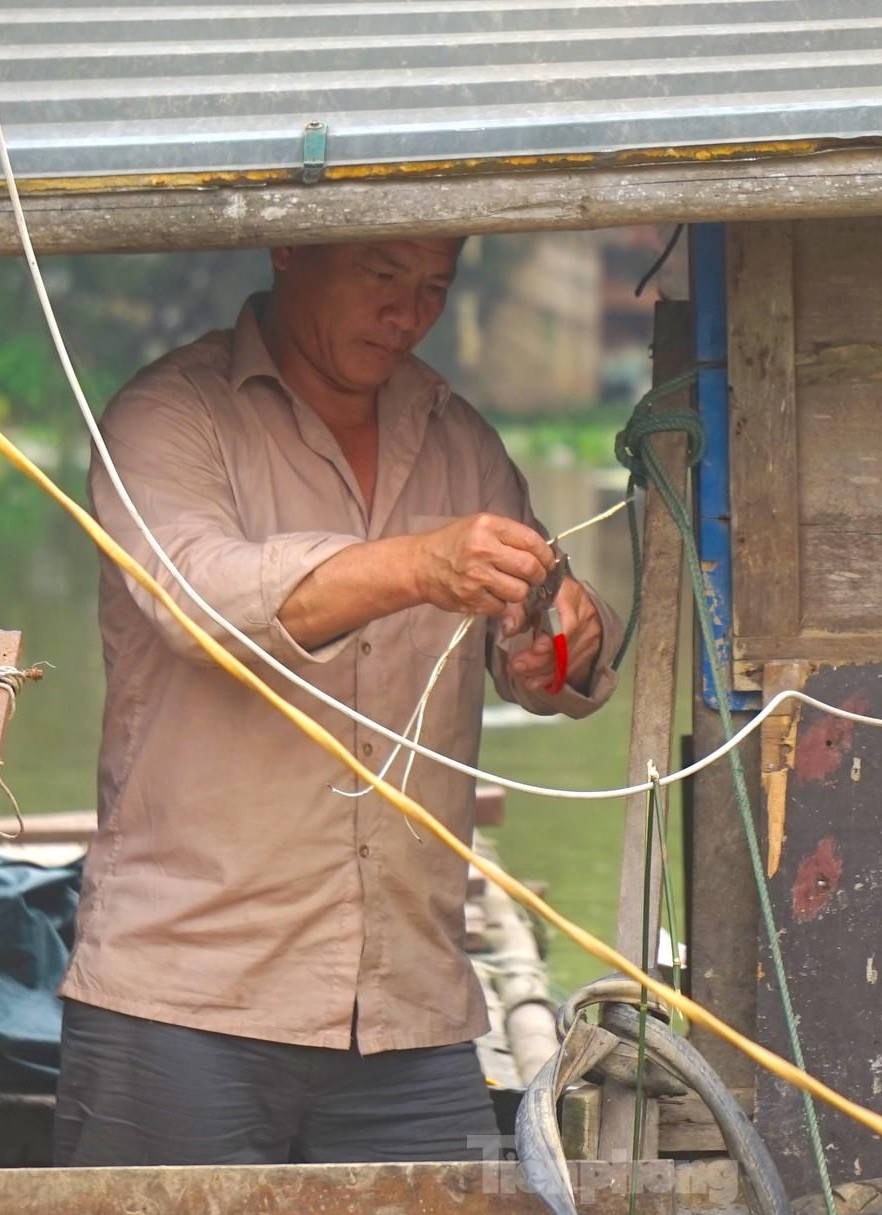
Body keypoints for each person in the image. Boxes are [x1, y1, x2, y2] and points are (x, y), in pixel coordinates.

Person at [54, 238, 622, 1166]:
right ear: (291, 250)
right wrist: (419, 563)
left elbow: (540, 659)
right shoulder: (168, 416)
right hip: (185, 1002)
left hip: (410, 1007)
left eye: (435, 286)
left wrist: (559, 643)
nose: (409, 312)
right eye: (384, 275)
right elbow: (200, 603)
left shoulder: (457, 437)